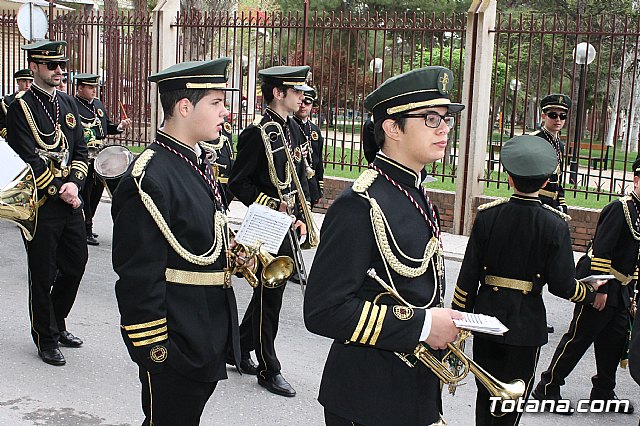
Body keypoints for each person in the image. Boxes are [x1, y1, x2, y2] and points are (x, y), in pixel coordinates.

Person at [304, 66, 464, 425]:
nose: (444, 128)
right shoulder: (360, 203)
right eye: (431, 118)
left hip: (411, 390)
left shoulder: (413, 191)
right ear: (392, 127)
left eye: (447, 118)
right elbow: (322, 310)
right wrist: (422, 325)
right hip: (367, 397)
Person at [112, 58, 242, 425]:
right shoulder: (149, 176)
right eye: (216, 103)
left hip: (204, 331)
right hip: (177, 341)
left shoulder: (193, 161)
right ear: (185, 107)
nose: (225, 113)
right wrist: (157, 351)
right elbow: (138, 277)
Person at [451, 134, 604, 425]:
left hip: (486, 321)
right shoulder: (555, 224)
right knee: (511, 403)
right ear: (546, 182)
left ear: (508, 177)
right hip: (526, 324)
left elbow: (467, 278)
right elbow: (562, 285)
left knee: (486, 397)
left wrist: (461, 321)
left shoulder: (487, 216)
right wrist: (588, 291)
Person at [532, 157, 640, 416]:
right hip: (601, 284)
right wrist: (600, 290)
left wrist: (632, 288)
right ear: (636, 179)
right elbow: (602, 250)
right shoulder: (621, 208)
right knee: (579, 339)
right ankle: (548, 387)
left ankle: (603, 391)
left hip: (622, 289)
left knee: (613, 343)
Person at [228, 65, 311, 397]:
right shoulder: (257, 132)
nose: (302, 96)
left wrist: (302, 214)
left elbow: (298, 178)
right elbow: (238, 183)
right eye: (296, 90)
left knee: (268, 294)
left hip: (287, 223)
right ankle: (268, 367)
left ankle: (235, 347)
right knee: (270, 300)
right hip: (266, 225)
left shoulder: (291, 128)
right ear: (278, 93)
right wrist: (271, 204)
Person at [6, 40, 88, 366]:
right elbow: (26, 158)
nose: (59, 71)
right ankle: (45, 336)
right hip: (40, 204)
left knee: (76, 264)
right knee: (43, 272)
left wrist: (75, 183)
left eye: (61, 66)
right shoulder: (20, 107)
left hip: (69, 199)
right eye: (52, 66)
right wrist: (59, 188)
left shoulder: (68, 104)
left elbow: (80, 151)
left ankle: (57, 320)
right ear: (36, 67)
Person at [73, 73, 131, 246]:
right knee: (86, 192)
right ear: (80, 88)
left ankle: (88, 225)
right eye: (90, 88)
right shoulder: (72, 104)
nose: (93, 91)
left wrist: (120, 126)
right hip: (84, 156)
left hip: (100, 157)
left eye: (95, 88)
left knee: (97, 193)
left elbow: (107, 126)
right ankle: (85, 228)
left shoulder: (97, 104)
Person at [531, 93, 571, 214]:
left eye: (562, 116)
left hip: (554, 204)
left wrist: (561, 203)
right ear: (544, 116)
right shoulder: (534, 140)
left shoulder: (560, 145)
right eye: (553, 115)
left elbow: (559, 177)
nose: (558, 119)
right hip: (536, 201)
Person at [292, 88, 324, 207]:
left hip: (311, 183)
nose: (303, 106)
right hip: (295, 183)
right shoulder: (288, 126)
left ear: (312, 105)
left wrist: (319, 186)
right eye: (301, 102)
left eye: (307, 102)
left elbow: (319, 160)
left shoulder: (315, 130)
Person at [201, 117, 234, 210]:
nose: (225, 112)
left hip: (224, 191)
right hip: (205, 190)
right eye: (215, 102)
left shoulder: (223, 125)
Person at [0, 68, 34, 138]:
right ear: (18, 82)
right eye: (24, 81)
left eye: (30, 81)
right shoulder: (6, 101)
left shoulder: (37, 101)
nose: (27, 84)